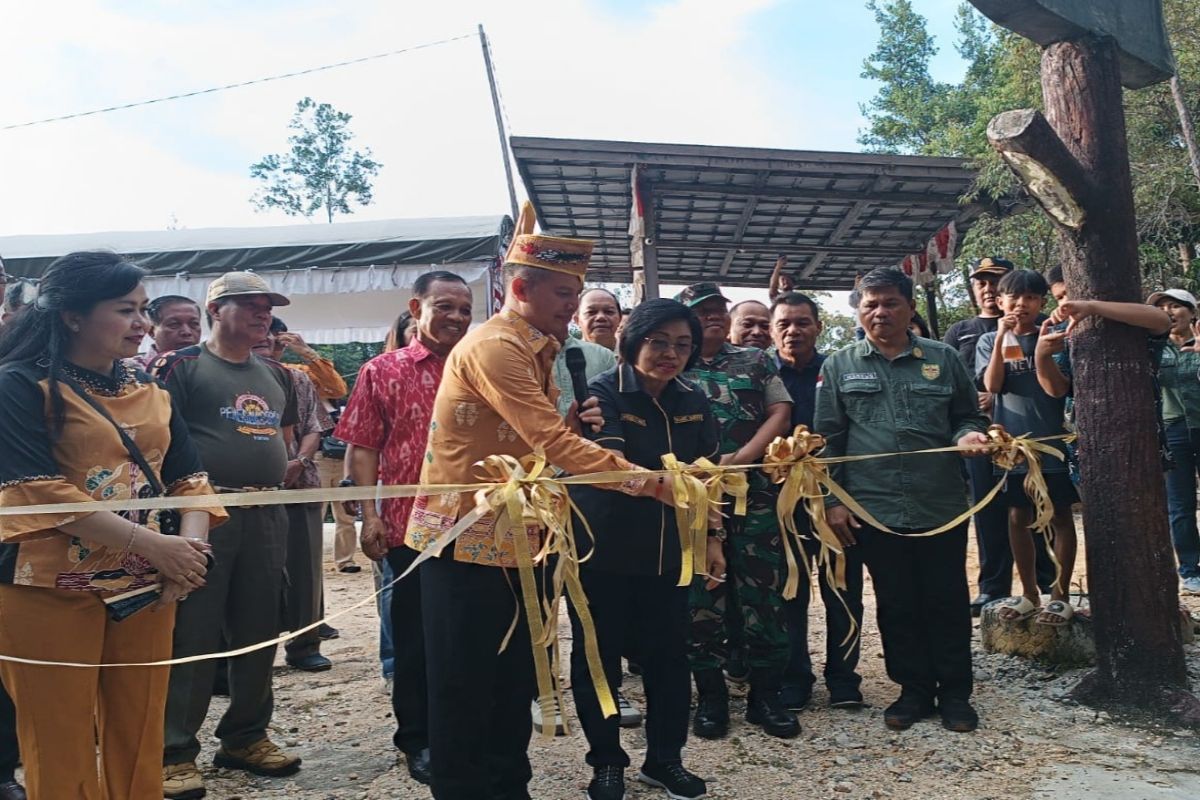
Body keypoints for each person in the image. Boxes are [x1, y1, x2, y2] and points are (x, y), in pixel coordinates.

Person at [405, 203, 681, 800]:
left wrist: (578, 436)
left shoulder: (543, 349)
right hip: (463, 536)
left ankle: (509, 785)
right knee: (463, 680)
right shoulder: (497, 347)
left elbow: (548, 451)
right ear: (520, 287)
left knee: (512, 678)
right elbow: (548, 441)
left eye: (575, 292)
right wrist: (650, 481)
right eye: (562, 292)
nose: (571, 305)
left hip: (518, 535)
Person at [0, 251, 225, 798]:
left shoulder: (151, 391)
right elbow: (37, 492)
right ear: (73, 316)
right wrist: (158, 546)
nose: (142, 325)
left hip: (146, 586)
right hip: (47, 587)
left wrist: (189, 554)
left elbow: (191, 481)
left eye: (144, 310)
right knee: (59, 737)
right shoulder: (18, 386)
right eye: (126, 310)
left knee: (141, 727)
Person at [816, 267, 991, 733]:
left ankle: (955, 693)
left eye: (890, 302)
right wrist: (833, 501)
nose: (880, 312)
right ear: (858, 310)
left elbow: (965, 416)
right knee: (896, 602)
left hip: (941, 503)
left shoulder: (944, 358)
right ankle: (912, 690)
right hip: (874, 506)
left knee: (946, 598)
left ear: (909, 307)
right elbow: (828, 440)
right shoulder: (840, 365)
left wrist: (971, 433)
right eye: (870, 304)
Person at [154, 271, 301, 799]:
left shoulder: (276, 375)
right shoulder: (181, 366)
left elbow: (283, 437)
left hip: (265, 511)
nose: (263, 315)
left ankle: (245, 735)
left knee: (260, 625)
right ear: (216, 310)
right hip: (202, 513)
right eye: (250, 306)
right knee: (193, 628)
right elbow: (156, 439)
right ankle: (173, 750)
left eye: (268, 307)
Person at [569, 299, 719, 800]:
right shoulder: (603, 393)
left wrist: (714, 540)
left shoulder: (694, 400)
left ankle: (665, 760)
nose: (669, 354)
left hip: (670, 556)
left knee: (670, 659)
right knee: (599, 658)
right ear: (633, 340)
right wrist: (665, 484)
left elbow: (711, 480)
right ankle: (606, 762)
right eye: (658, 342)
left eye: (682, 345)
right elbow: (611, 467)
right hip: (603, 549)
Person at [335, 270, 473, 786]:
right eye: (445, 306)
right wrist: (370, 515)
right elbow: (363, 447)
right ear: (417, 309)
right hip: (407, 530)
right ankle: (418, 738)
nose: (457, 317)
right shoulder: (382, 370)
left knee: (464, 636)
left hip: (475, 525)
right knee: (414, 641)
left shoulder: (481, 366)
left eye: (465, 308)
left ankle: (461, 729)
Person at [675, 281, 796, 741]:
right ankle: (711, 697)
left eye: (718, 311)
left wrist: (744, 456)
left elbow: (780, 410)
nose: (713, 318)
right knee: (701, 600)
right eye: (702, 312)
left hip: (754, 496)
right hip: (693, 501)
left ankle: (765, 696)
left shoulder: (754, 360)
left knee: (763, 595)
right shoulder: (670, 362)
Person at [769, 292, 865, 711]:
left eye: (802, 322)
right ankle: (795, 677)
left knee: (843, 587)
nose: (793, 331)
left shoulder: (839, 370)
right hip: (780, 501)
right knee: (790, 592)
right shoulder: (760, 375)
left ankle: (844, 677)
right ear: (773, 331)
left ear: (818, 327)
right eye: (784, 324)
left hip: (838, 497)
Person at [942, 257, 1053, 615]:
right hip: (978, 433)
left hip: (1026, 430)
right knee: (988, 510)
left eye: (996, 281)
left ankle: (1046, 580)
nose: (989, 289)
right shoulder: (961, 331)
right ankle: (993, 587)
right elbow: (951, 379)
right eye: (981, 283)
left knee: (1035, 504)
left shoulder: (1041, 331)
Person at [978, 270, 1079, 627]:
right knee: (1018, 518)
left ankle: (1061, 593)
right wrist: (1003, 334)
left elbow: (1059, 390)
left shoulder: (1054, 337)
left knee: (1061, 516)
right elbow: (992, 385)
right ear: (1000, 302)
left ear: (1041, 303)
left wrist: (1040, 351)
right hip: (1012, 448)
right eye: (1013, 298)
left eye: (1031, 298)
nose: (1021, 304)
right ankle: (1029, 593)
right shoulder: (990, 341)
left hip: (1051, 443)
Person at [252, 317, 336, 672]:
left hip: (298, 485)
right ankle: (249, 652)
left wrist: (298, 461)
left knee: (304, 568)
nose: (262, 339)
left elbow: (316, 424)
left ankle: (305, 644)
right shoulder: (217, 375)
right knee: (251, 573)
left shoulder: (297, 375)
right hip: (245, 493)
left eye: (269, 334)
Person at [1149, 288, 1200, 594]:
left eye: (1176, 305)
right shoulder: (1155, 348)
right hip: (1174, 430)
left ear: (1192, 312)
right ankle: (1191, 568)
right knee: (1180, 504)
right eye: (1163, 307)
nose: (1169, 310)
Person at [138, 295, 202, 368]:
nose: (187, 332)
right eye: (174, 324)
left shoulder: (211, 366)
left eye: (194, 324)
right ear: (151, 331)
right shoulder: (132, 371)